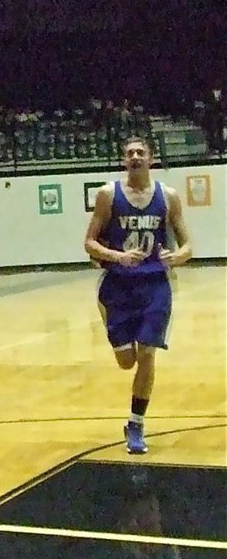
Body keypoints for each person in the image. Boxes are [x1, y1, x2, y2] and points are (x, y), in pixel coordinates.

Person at [84, 136, 192, 455]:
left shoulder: (168, 197)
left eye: (140, 152)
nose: (135, 157)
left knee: (147, 353)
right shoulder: (108, 195)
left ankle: (136, 423)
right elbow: (89, 242)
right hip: (117, 286)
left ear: (151, 159)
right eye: (129, 152)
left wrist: (177, 256)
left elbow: (187, 246)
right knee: (126, 361)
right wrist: (117, 257)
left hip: (155, 286)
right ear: (123, 160)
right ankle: (115, 331)